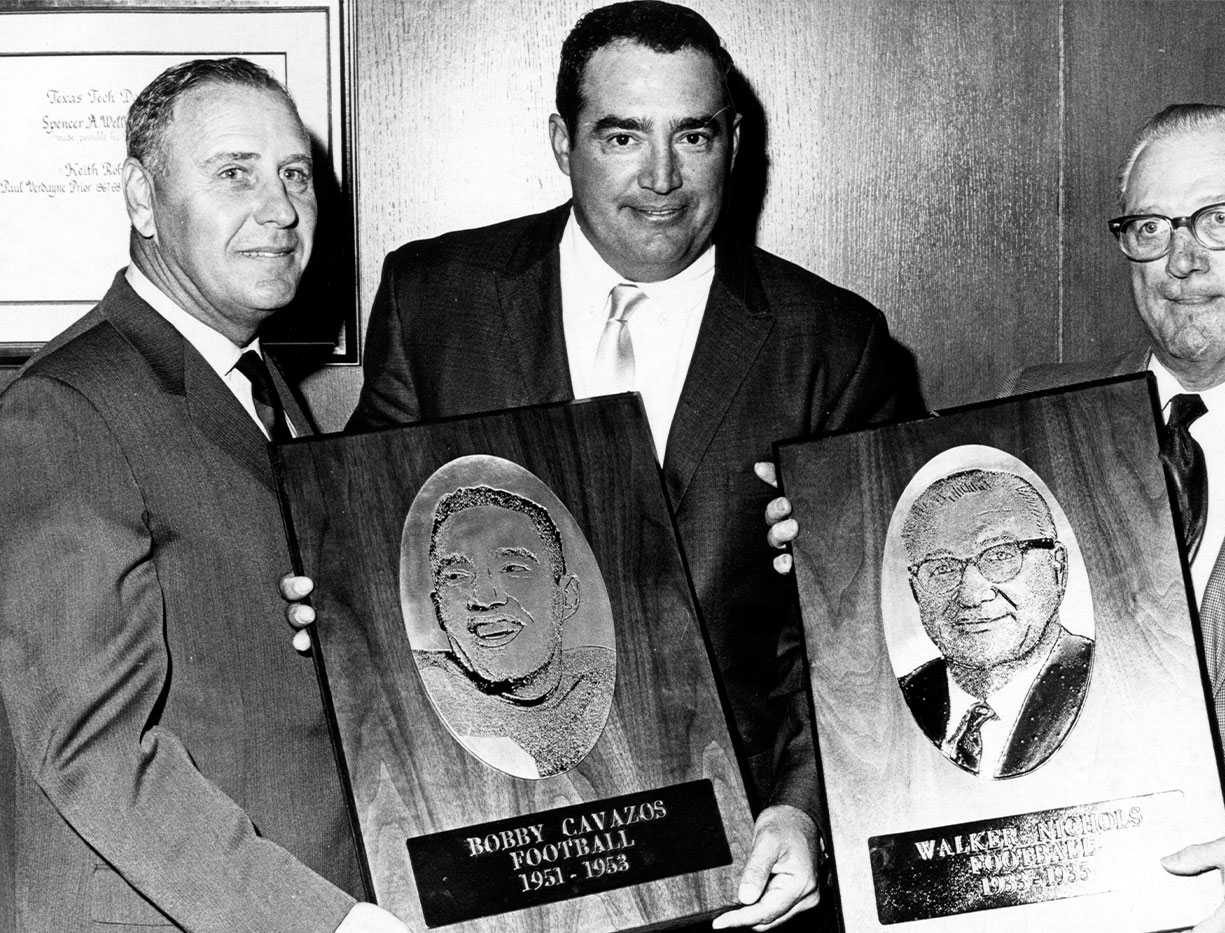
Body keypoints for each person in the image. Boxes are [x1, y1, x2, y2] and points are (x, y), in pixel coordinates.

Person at [282, 2, 919, 927]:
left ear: (733, 143)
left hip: (727, 862)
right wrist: (330, 593)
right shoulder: (435, 297)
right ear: (561, 139)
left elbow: (859, 626)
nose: (662, 178)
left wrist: (804, 810)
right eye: (623, 134)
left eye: (692, 134)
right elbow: (383, 547)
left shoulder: (833, 343)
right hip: (487, 846)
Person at [767, 102, 1225, 933]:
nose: (1181, 258)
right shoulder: (1024, 412)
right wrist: (833, 551)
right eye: (1149, 226)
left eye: (1221, 218)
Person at [0, 59, 407, 932]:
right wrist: (325, 924)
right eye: (234, 173)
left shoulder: (263, 386)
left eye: (295, 175)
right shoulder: (65, 407)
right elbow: (92, 753)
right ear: (141, 201)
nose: (283, 209)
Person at [896, 469, 1091, 779]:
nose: (971, 595)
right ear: (916, 591)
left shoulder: (1103, 681)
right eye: (942, 568)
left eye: (1001, 555)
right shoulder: (896, 703)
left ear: (1058, 570)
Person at [414, 484, 614, 778]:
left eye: (512, 568)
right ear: (438, 610)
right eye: (456, 576)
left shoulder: (602, 684)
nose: (484, 597)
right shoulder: (419, 696)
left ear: (567, 597)